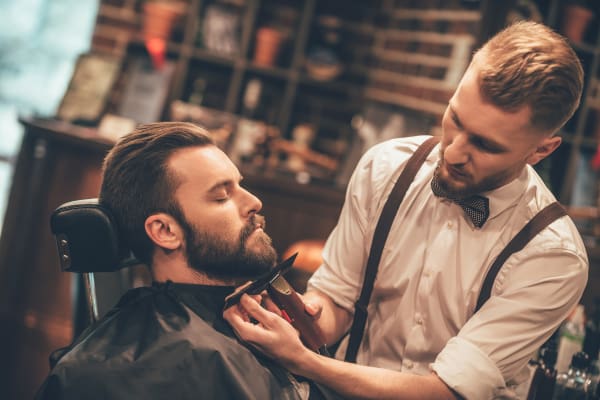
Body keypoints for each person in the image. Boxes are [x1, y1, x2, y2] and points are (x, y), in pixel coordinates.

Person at [224, 20, 589, 399]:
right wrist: (298, 316)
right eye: (455, 120)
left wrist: (303, 360)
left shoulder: (553, 256)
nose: (453, 152)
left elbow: (447, 391)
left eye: (485, 145)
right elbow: (337, 300)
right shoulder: (386, 167)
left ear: (541, 150)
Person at [35, 122, 337, 399]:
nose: (254, 202)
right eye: (222, 196)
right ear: (165, 231)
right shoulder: (125, 371)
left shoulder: (256, 318)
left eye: (240, 185)